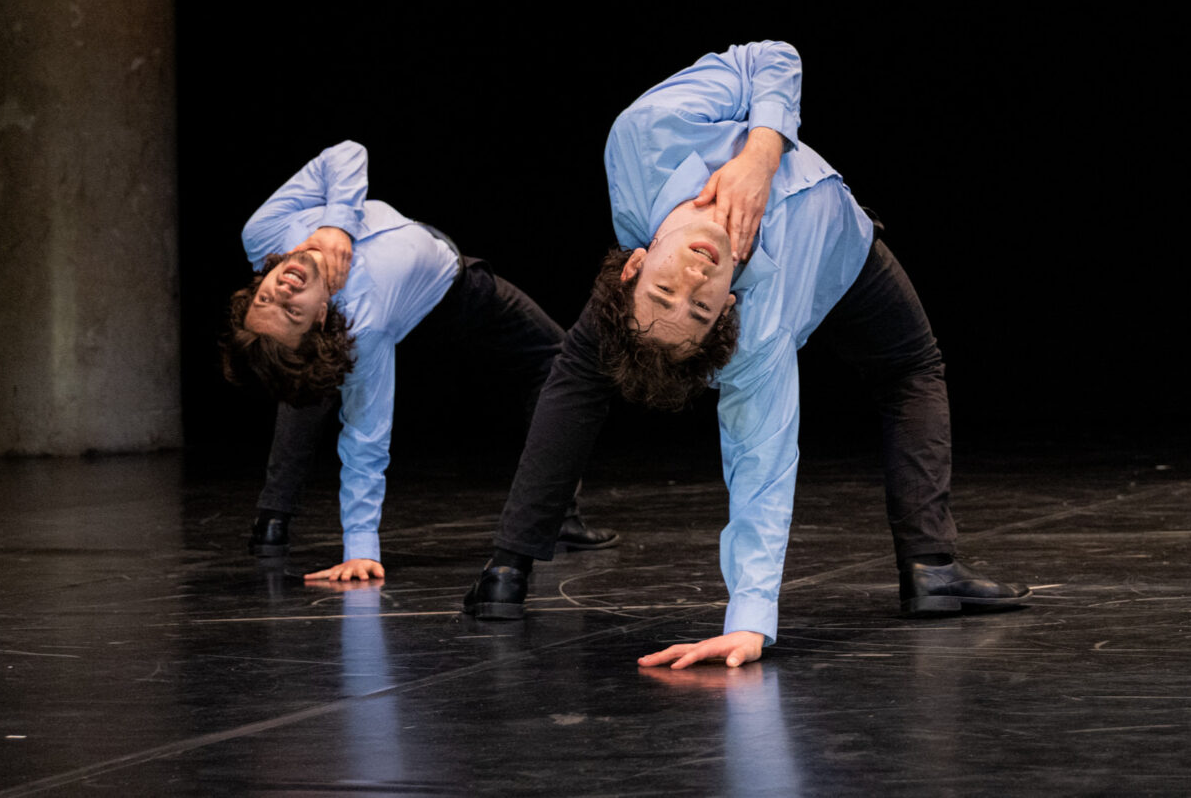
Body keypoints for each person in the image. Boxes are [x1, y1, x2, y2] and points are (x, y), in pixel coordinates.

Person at [461, 41, 1028, 667]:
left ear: (635, 264)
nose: (695, 279)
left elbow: (772, 58)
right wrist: (750, 621)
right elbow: (761, 464)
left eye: (667, 289)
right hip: (831, 264)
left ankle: (506, 569)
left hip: (835, 243)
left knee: (582, 361)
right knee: (910, 368)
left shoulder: (647, 137)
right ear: (725, 309)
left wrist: (760, 153)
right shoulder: (754, 332)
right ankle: (932, 568)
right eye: (701, 307)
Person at [220, 140, 614, 581]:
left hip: (449, 293)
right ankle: (274, 516)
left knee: (298, 363)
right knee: (308, 373)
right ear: (321, 315)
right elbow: (365, 438)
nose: (283, 290)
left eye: (266, 298)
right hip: (444, 302)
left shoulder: (264, 235)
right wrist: (361, 547)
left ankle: (273, 519)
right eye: (292, 310)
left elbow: (346, 153)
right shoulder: (362, 325)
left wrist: (337, 224)